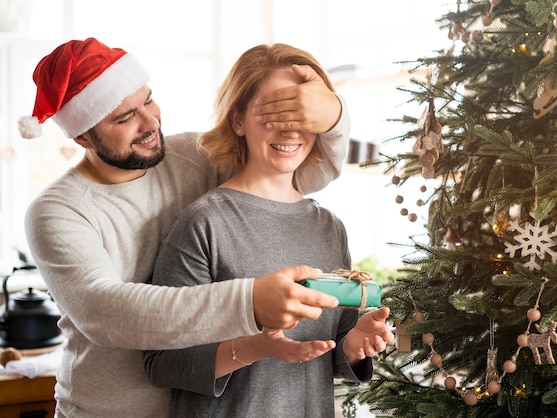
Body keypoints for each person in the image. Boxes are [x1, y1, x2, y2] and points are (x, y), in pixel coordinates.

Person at [18, 37, 351, 417]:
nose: (149, 122)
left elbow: (298, 174)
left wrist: (334, 116)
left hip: (196, 404)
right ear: (82, 136)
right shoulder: (57, 210)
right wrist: (250, 301)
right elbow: (104, 312)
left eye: (147, 100)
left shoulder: (193, 156)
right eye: (124, 118)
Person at [142, 43, 393, 418]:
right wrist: (255, 347)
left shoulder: (329, 228)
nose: (290, 129)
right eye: (273, 112)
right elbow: (160, 363)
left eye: (301, 112)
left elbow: (333, 347)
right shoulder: (204, 223)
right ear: (237, 120)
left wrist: (354, 344)